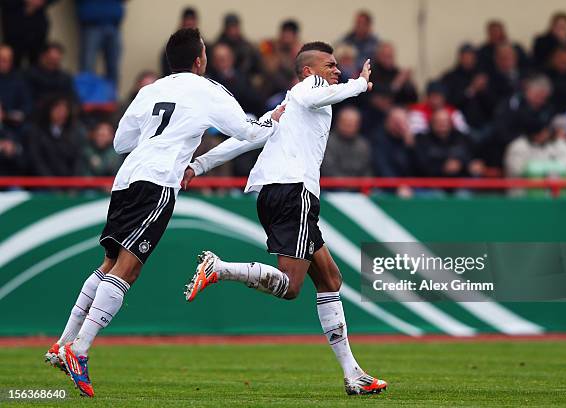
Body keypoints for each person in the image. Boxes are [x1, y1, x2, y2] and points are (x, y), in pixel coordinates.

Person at [44, 28, 283, 398]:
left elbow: (121, 142)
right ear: (200, 60)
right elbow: (247, 131)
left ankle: (63, 342)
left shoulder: (150, 89)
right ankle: (80, 349)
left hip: (126, 179)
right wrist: (273, 118)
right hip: (157, 181)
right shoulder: (208, 90)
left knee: (109, 263)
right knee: (129, 268)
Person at [182, 42, 387, 396]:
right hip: (295, 192)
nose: (336, 70)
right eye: (330, 65)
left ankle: (353, 373)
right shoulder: (309, 89)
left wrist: (199, 165)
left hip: (274, 192)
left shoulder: (284, 107)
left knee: (330, 279)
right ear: (308, 71)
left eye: (339, 67)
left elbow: (245, 137)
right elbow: (315, 97)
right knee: (292, 287)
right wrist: (358, 84)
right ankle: (220, 269)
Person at [25, 94, 84, 177]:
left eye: (64, 110)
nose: (61, 113)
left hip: (69, 184)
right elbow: (36, 161)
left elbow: (78, 161)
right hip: (42, 184)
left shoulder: (74, 133)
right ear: (49, 110)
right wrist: (51, 185)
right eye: (58, 109)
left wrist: (73, 186)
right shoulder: (36, 132)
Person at [76, 0, 125, 86]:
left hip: (113, 24)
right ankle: (86, 96)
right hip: (91, 24)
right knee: (88, 65)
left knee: (113, 67)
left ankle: (111, 97)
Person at [0, 0, 58, 68]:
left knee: (37, 63)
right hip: (14, 21)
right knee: (10, 61)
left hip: (36, 24)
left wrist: (44, 1)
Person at [321, 106, 372, 177]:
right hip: (333, 185)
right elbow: (328, 170)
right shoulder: (327, 142)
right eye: (346, 124)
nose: (349, 127)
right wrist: (350, 185)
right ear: (338, 122)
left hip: (359, 185)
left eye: (352, 124)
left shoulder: (363, 144)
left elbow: (367, 170)